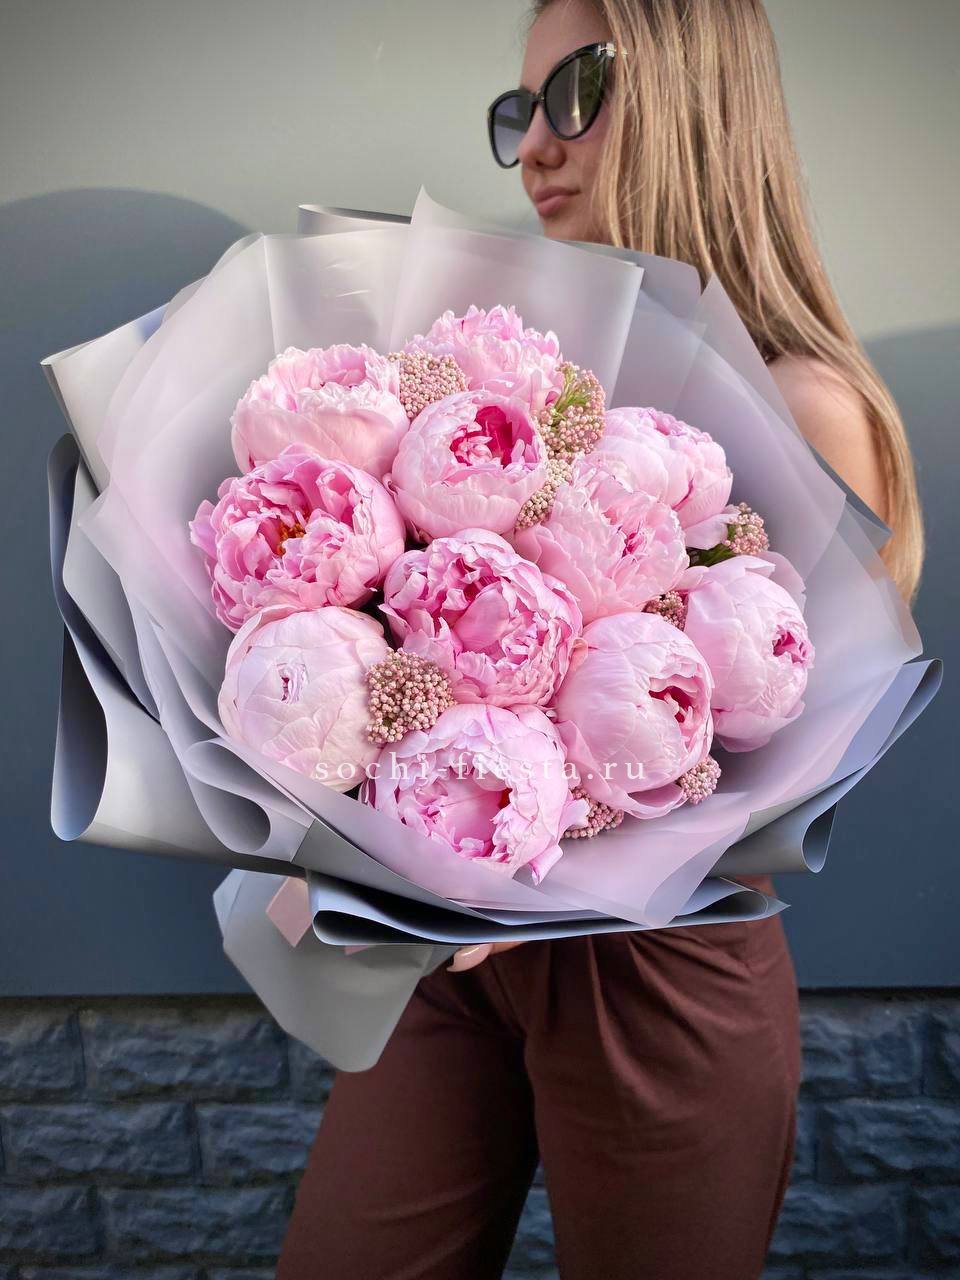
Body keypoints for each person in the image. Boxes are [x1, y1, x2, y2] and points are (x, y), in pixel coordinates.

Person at [277, 2, 924, 1276]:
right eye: (517, 112)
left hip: (657, 973)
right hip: (456, 948)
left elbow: (773, 749)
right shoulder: (530, 375)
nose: (535, 145)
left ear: (695, 95)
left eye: (575, 91)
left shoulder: (806, 406)